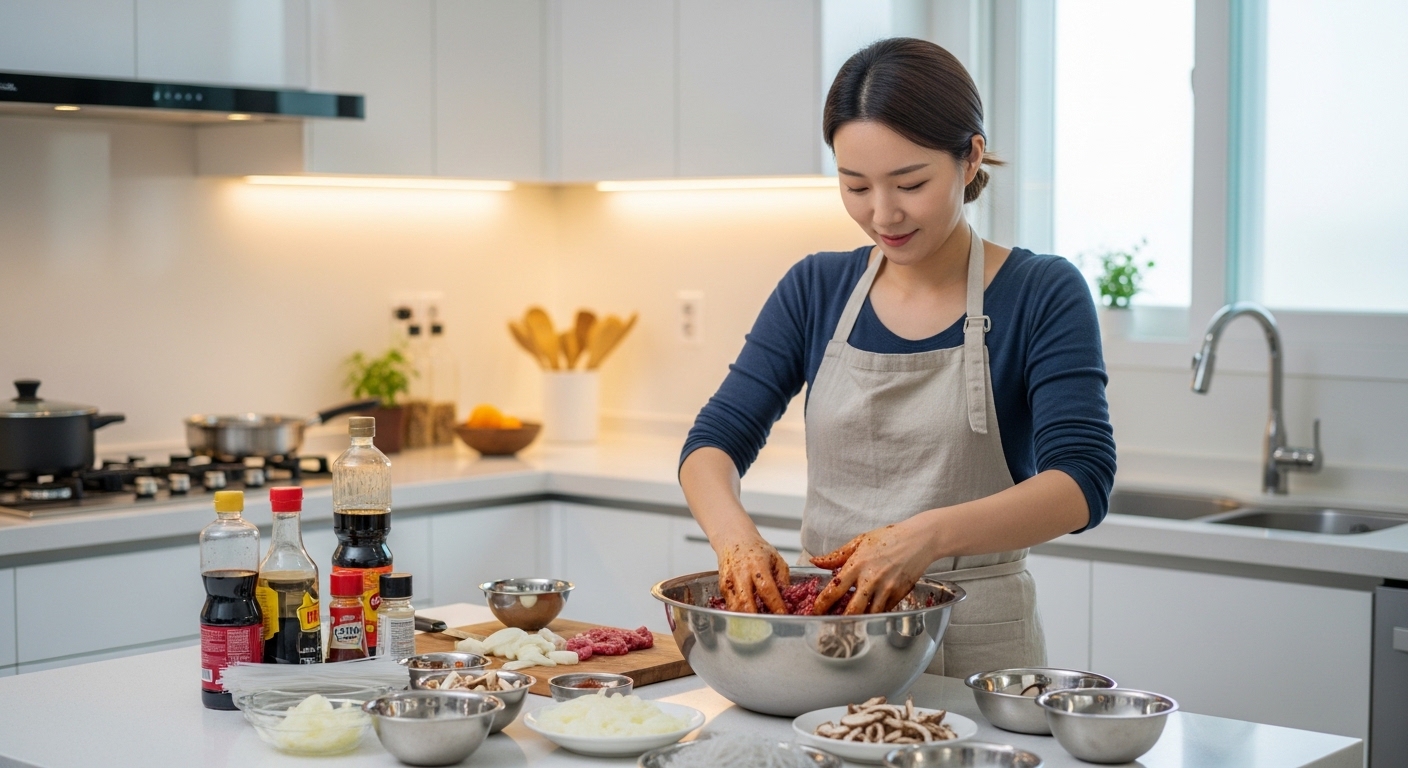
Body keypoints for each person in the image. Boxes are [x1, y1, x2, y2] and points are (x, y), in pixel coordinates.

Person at [677, 38, 1116, 678]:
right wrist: (734, 537)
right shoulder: (816, 289)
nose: (882, 214)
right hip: (830, 646)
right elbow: (714, 441)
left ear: (969, 158)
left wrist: (925, 538)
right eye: (855, 186)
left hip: (980, 645)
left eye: (910, 183)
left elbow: (1081, 481)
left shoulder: (1041, 291)